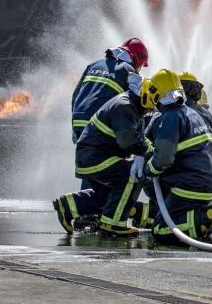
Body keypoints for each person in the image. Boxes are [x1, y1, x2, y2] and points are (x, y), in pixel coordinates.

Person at [141, 69, 212, 247]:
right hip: (207, 183)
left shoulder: (170, 117)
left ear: (156, 93)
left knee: (161, 230)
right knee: (176, 216)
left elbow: (163, 160)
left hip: (189, 186)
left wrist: (146, 168)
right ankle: (208, 215)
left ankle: (211, 217)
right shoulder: (194, 114)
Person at [53, 72, 153, 236]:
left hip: (93, 155)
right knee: (132, 174)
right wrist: (146, 150)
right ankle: (113, 223)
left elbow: (137, 138)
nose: (152, 107)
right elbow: (127, 140)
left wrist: (145, 148)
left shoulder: (131, 105)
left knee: (108, 198)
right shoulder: (125, 106)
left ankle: (67, 206)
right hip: (96, 157)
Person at [71, 38, 149, 142]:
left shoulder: (92, 65)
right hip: (100, 125)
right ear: (135, 57)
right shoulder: (128, 71)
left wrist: (74, 126)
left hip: (78, 122)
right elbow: (138, 106)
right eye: (141, 64)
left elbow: (75, 96)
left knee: (87, 156)